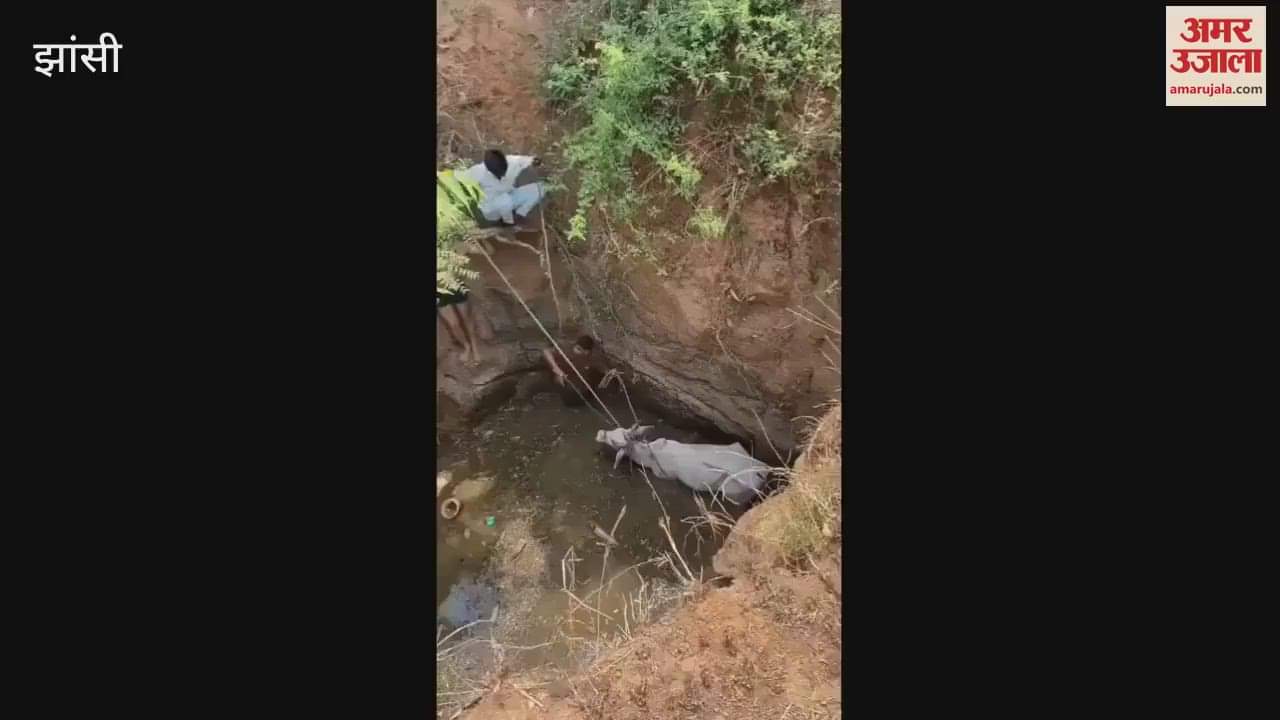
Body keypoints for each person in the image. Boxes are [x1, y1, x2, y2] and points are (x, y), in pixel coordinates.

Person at [457, 149, 546, 229]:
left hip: (509, 194)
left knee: (541, 188)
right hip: (490, 206)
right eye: (497, 174)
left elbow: (525, 160)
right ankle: (507, 224)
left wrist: (534, 161)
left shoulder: (512, 162)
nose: (501, 176)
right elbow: (458, 177)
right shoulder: (478, 172)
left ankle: (519, 215)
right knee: (505, 202)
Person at [542, 335, 609, 407]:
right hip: (561, 376)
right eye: (576, 348)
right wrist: (556, 368)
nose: (575, 351)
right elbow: (546, 351)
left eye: (579, 350)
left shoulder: (593, 359)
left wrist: (608, 375)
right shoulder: (566, 350)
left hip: (579, 386)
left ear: (587, 352)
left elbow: (605, 371)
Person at [438, 285, 483, 365]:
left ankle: (475, 348)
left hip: (453, 284)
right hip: (438, 291)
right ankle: (467, 346)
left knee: (466, 319)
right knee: (453, 324)